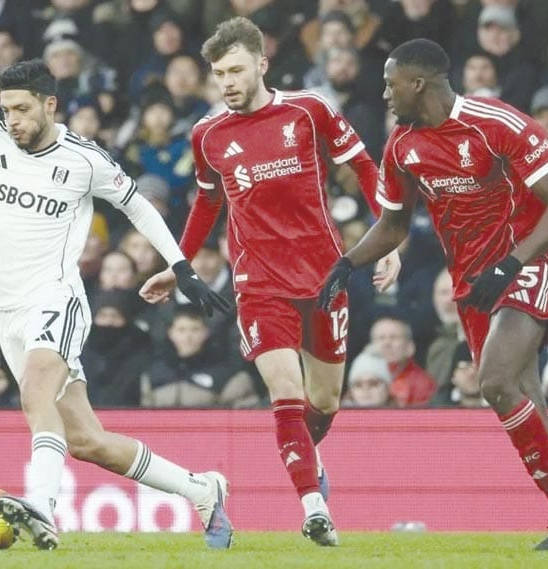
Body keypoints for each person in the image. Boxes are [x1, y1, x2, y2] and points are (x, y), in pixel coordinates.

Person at [319, 38, 548, 550]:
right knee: (540, 430)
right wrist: (347, 263)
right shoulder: (402, 146)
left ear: (419, 83)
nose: (384, 94)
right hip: (474, 285)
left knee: (497, 383)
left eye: (391, 84)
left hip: (530, 259)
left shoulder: (497, 122)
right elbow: (393, 226)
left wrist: (512, 263)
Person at [0, 59, 233, 551]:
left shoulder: (84, 159)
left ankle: (42, 507)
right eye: (5, 109)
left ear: (49, 104)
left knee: (36, 394)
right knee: (85, 440)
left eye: (21, 108)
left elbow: (137, 204)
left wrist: (181, 267)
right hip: (7, 310)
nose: (11, 119)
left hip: (57, 299)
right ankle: (201, 489)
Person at [140, 17, 399, 547]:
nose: (227, 82)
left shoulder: (310, 110)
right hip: (258, 282)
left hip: (325, 275)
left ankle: (311, 456)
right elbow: (208, 202)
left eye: (236, 70)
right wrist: (178, 262)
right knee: (286, 392)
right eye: (218, 74)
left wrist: (385, 238)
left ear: (261, 64)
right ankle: (313, 507)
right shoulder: (207, 135)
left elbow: (365, 167)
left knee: (323, 403)